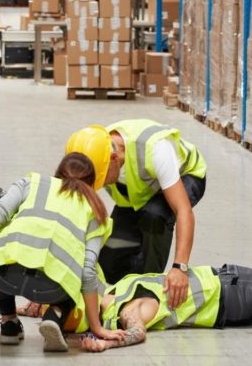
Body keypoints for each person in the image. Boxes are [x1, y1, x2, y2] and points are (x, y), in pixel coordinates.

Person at [0, 148, 125, 352]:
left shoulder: (31, 181)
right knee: (78, 275)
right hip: (52, 289)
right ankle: (55, 316)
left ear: (58, 171)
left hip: (3, 277)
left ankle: (9, 324)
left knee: (2, 248)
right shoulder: (96, 211)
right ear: (91, 183)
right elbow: (88, 273)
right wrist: (97, 328)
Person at [66, 120, 207, 309]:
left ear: (114, 158)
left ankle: (149, 288)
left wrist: (180, 267)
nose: (99, 185)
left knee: (154, 215)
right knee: (109, 263)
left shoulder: (156, 150)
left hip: (185, 176)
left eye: (101, 179)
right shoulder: (94, 150)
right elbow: (73, 216)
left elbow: (183, 211)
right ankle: (133, 282)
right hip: (140, 191)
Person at [80, 255, 252, 353]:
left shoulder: (114, 290)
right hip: (231, 288)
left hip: (225, 299)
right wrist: (108, 342)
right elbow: (136, 331)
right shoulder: (127, 309)